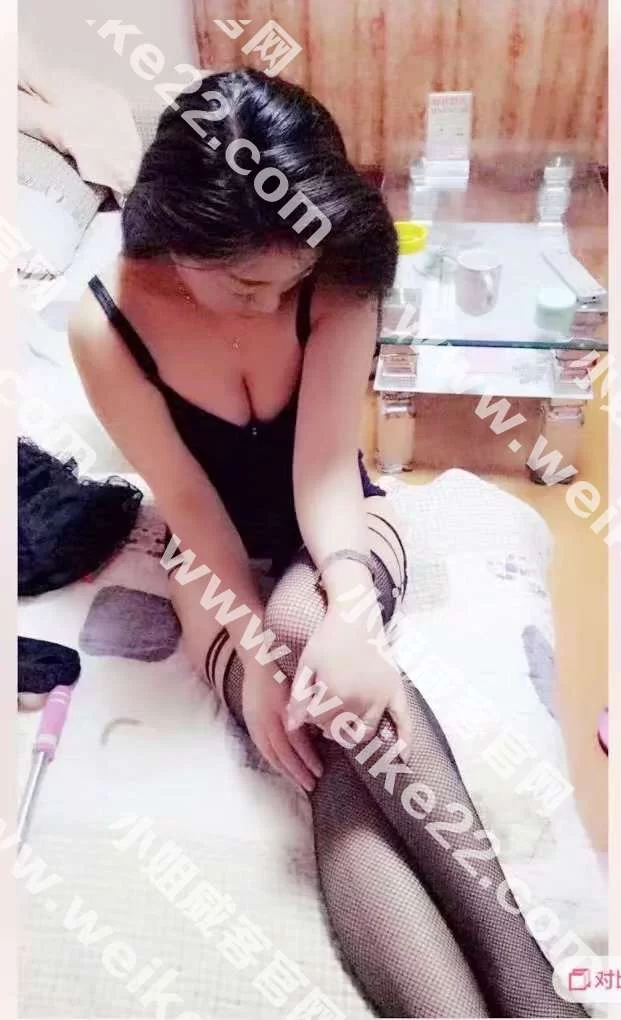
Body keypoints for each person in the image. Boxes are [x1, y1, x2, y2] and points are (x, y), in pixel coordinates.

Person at [70, 69, 585, 1018]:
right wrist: (255, 654)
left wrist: (349, 610)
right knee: (310, 731)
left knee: (307, 625)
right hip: (208, 558)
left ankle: (528, 993)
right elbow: (189, 502)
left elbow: (321, 473)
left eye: (291, 283)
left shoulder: (338, 270)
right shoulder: (106, 324)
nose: (274, 304)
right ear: (177, 234)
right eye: (246, 285)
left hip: (345, 525)